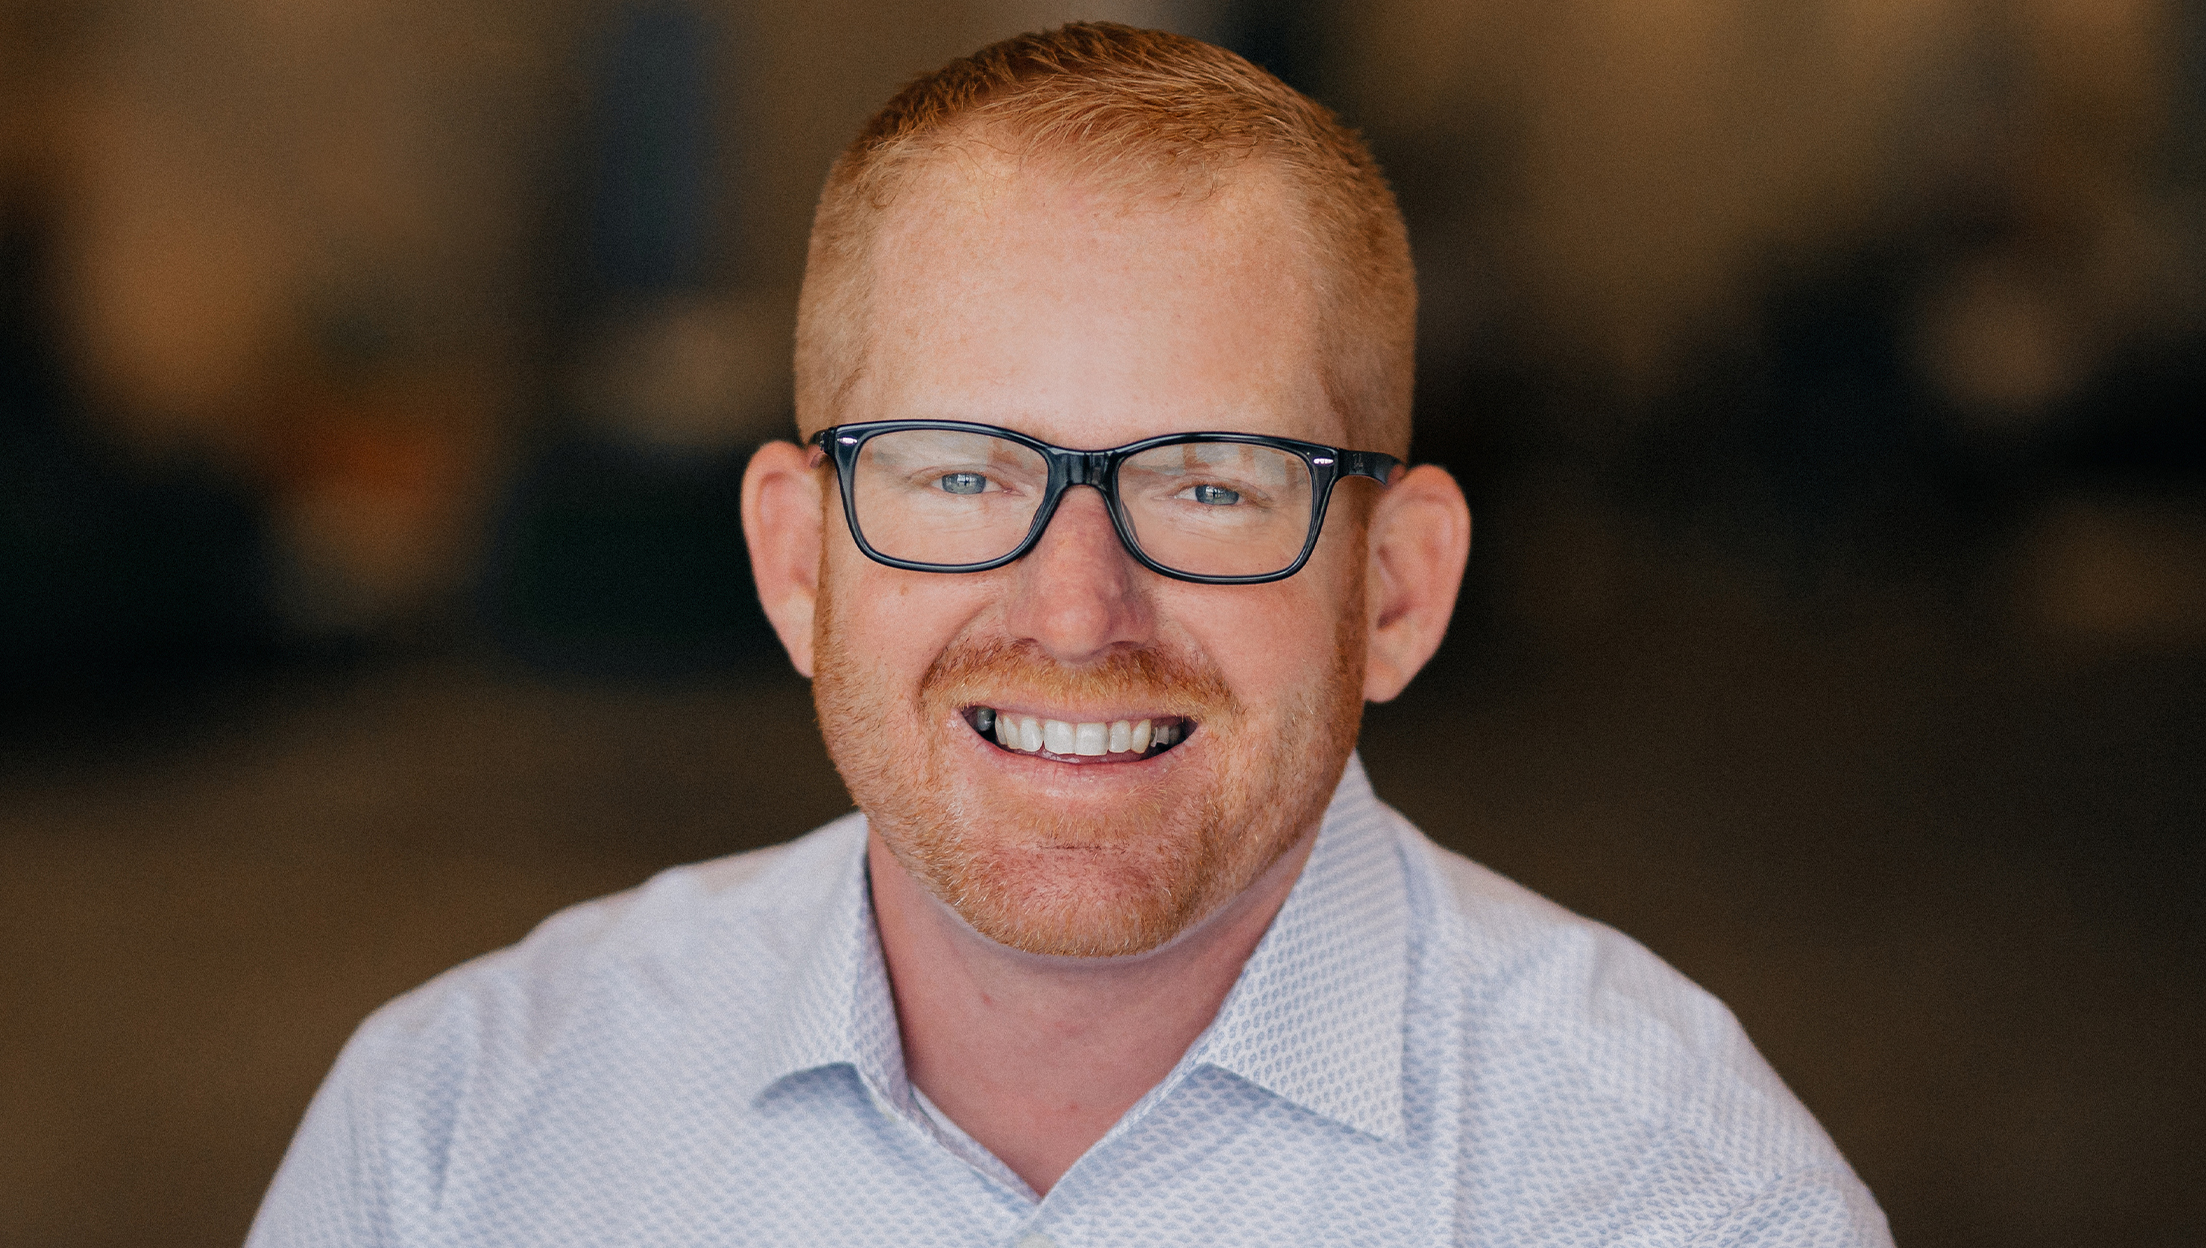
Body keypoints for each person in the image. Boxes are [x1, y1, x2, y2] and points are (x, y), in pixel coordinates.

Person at [250, 24, 1891, 1247]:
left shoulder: (1680, 1201)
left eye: (1213, 485)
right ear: (796, 561)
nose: (1077, 610)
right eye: (963, 474)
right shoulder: (456, 1141)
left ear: (1397, 588)